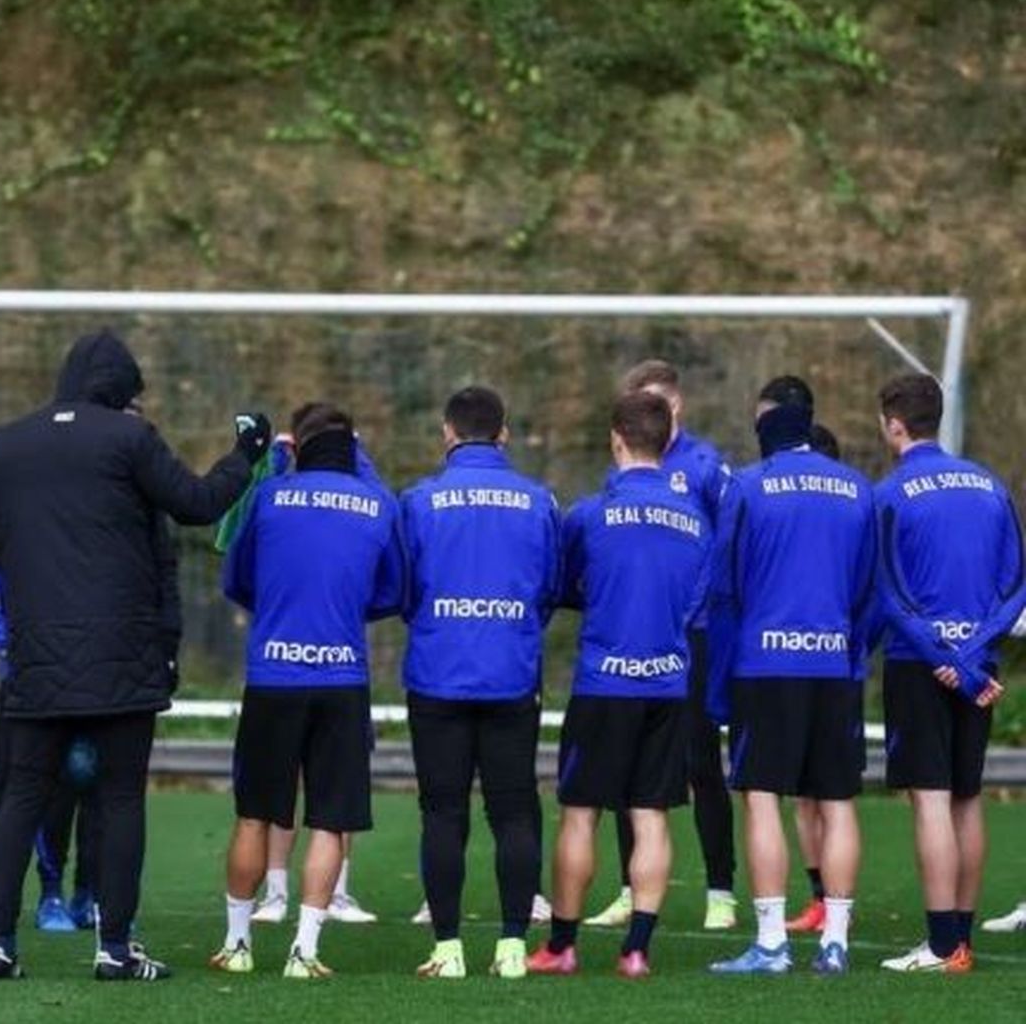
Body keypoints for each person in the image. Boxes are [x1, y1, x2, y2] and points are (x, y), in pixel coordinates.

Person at [0, 329, 267, 982]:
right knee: (121, 799)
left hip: (37, 651)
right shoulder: (128, 439)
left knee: (21, 796)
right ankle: (115, 948)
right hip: (121, 654)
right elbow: (195, 503)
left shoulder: (8, 443)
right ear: (123, 391)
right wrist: (246, 452)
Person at [211, 403, 404, 981]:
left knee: (253, 815)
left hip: (273, 674)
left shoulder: (269, 498)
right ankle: (305, 950)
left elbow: (236, 579)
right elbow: (392, 590)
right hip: (341, 676)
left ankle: (238, 943)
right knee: (331, 819)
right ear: (355, 449)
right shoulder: (377, 503)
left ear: (297, 448)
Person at [527, 391, 711, 979]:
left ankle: (562, 946)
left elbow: (562, 584)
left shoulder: (588, 513)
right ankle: (637, 949)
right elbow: (699, 600)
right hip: (666, 683)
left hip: (604, 681)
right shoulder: (695, 520)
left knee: (581, 814)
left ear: (615, 439)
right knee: (651, 815)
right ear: (666, 442)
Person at [707, 375, 875, 977]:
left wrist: (719, 683)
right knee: (837, 800)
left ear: (764, 434)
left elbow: (725, 587)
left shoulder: (749, 488)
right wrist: (847, 646)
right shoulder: (859, 489)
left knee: (762, 799)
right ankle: (836, 941)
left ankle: (773, 942)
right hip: (833, 662)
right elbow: (866, 587)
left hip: (765, 662)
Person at [399, 386, 557, 981]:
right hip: (511, 673)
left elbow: (403, 588)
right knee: (514, 811)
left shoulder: (419, 501)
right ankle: (513, 946)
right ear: (504, 432)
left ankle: (447, 948)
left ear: (447, 433)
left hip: (439, 672)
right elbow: (549, 587)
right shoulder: (538, 501)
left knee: (442, 812)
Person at [586, 360, 736, 933]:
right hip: (632, 637)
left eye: (653, 404)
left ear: (676, 407)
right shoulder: (621, 470)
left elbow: (727, 549)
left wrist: (694, 611)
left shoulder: (705, 467)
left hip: (692, 639)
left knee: (702, 763)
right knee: (628, 766)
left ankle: (720, 890)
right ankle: (630, 887)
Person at [871, 373, 1015, 973]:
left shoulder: (890, 493)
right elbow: (1014, 584)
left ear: (894, 424)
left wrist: (940, 658)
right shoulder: (991, 485)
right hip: (980, 667)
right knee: (967, 797)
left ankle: (938, 944)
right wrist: (972, 655)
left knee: (930, 799)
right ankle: (962, 940)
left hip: (920, 664)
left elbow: (886, 590)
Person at [0, 554, 107, 968]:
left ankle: (93, 902)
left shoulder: (99, 501)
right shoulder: (1, 504)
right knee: (9, 797)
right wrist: (19, 644)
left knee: (98, 785)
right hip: (26, 678)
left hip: (94, 677)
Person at [786, 423, 845, 936]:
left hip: (830, 671)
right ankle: (821, 899)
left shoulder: (849, 513)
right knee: (805, 796)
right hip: (796, 668)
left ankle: (836, 905)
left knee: (829, 795)